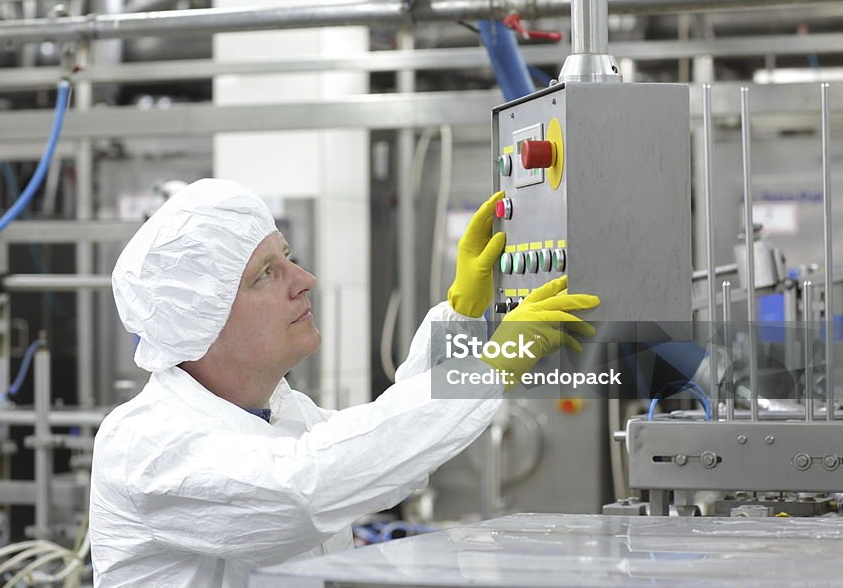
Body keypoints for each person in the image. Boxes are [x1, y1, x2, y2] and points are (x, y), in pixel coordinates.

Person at [89, 178, 598, 588]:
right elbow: (307, 489)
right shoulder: (146, 444)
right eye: (266, 273)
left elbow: (388, 460)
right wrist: (494, 362)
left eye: (287, 255)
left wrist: (461, 314)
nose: (304, 279)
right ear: (202, 319)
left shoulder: (283, 413)